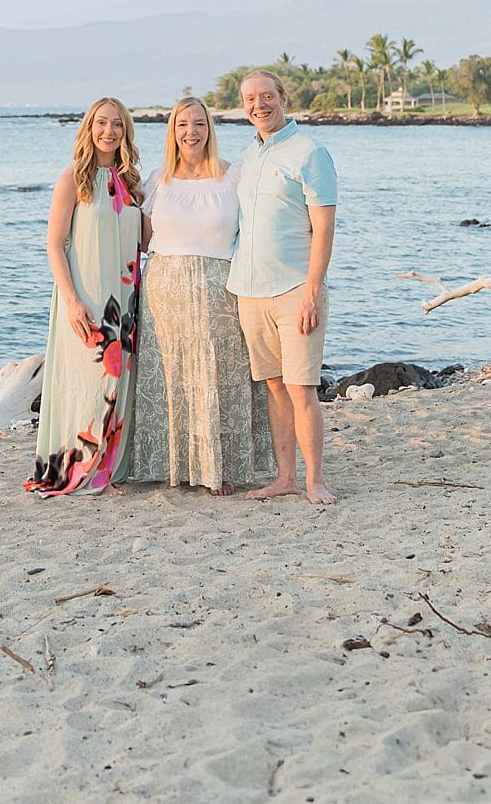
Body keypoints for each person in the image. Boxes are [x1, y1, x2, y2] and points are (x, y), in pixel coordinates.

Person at [131, 98, 274, 494]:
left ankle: (219, 469)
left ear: (209, 129)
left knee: (220, 374)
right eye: (182, 125)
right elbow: (142, 241)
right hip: (165, 290)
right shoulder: (157, 180)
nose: (190, 132)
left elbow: (259, 227)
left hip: (220, 288)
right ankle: (173, 466)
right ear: (172, 131)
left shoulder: (233, 177)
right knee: (171, 375)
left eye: (198, 124)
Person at [228, 70, 339, 504]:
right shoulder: (249, 155)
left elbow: (324, 227)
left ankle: (315, 481)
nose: (259, 105)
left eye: (267, 96)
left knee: (302, 388)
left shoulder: (310, 152)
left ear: (283, 98)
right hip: (250, 290)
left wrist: (313, 290)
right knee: (274, 387)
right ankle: (285, 477)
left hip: (296, 289)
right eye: (250, 99)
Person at [25, 98, 143, 496]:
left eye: (117, 124)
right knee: (87, 383)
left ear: (126, 132)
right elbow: (55, 246)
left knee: (117, 384)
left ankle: (106, 471)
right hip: (87, 297)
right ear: (89, 128)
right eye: (102, 123)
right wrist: (71, 300)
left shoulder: (131, 183)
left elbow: (145, 242)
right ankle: (80, 470)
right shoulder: (73, 178)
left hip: (125, 300)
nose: (109, 131)